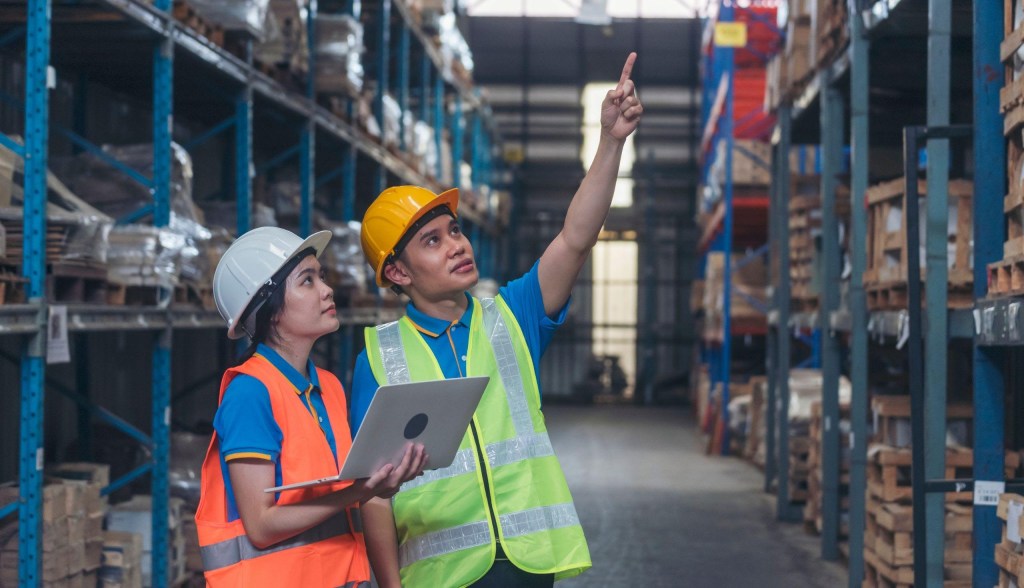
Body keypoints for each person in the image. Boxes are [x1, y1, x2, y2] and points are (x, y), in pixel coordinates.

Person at [351, 52, 643, 587]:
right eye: (432, 242)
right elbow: (374, 493)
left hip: (528, 562)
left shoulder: (512, 315)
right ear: (396, 272)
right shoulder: (377, 357)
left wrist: (611, 141)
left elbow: (575, 239)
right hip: (443, 574)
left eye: (454, 231)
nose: (457, 246)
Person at [195, 226, 428, 587]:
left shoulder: (329, 387)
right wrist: (361, 491)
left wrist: (382, 484)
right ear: (269, 310)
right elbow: (260, 526)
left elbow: (341, 497)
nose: (326, 289)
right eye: (307, 281)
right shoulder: (250, 393)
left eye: (322, 276)